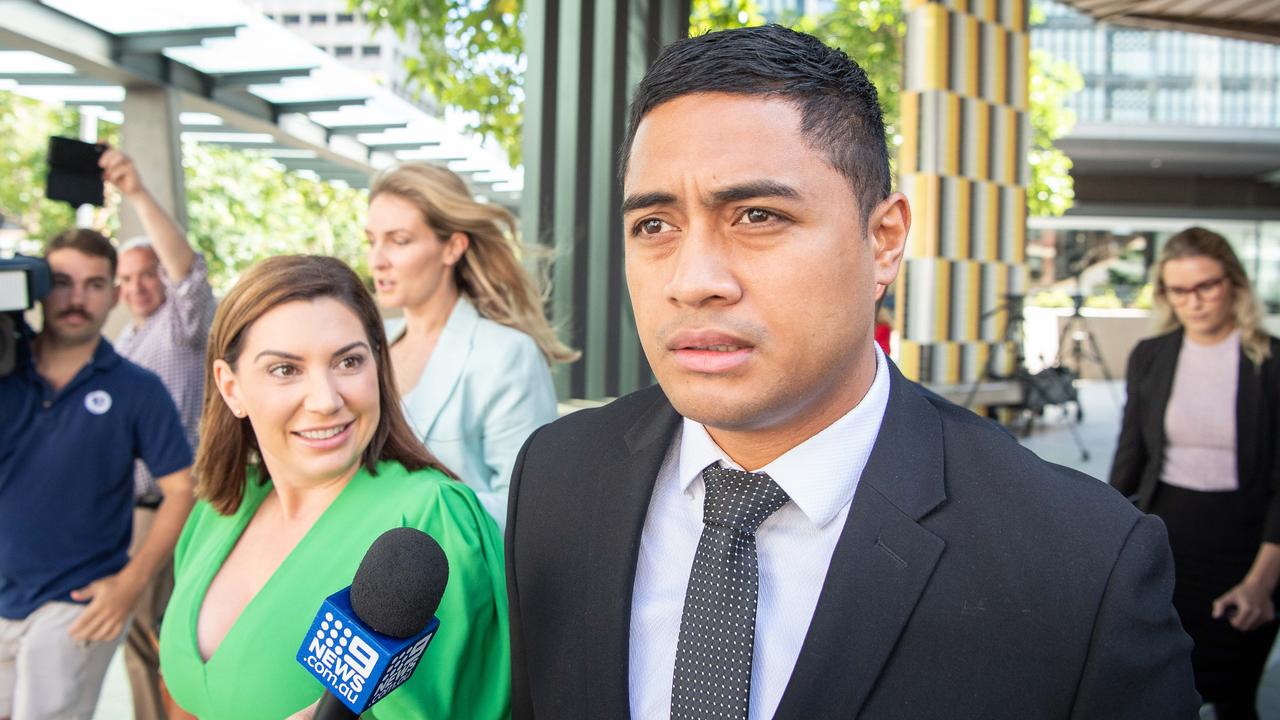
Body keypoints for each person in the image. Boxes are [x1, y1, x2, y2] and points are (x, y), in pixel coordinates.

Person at [505, 25, 1198, 720]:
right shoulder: (557, 478)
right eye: (655, 226)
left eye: (756, 215)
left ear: (884, 240)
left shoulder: (1081, 564)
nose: (694, 281)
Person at [157, 255, 509, 719]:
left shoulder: (432, 519)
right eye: (286, 369)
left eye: (348, 361)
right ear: (231, 386)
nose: (326, 400)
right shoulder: (220, 509)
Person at [0, 230, 195, 720]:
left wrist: (131, 583)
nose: (75, 299)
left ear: (113, 294)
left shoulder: (137, 389)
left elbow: (180, 489)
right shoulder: (6, 371)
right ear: (39, 286)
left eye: (93, 284)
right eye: (61, 282)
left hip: (75, 602)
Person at [1110, 227, 1280, 720]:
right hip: (1167, 539)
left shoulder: (1271, 361)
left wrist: (1263, 582)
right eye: (1179, 290)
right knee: (1162, 692)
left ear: (1234, 284)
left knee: (1231, 694)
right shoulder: (1151, 356)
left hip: (1250, 548)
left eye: (1206, 286)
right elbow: (1130, 461)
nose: (1194, 301)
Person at [366, 163, 578, 527]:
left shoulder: (506, 355)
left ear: (452, 247)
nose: (377, 261)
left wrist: (408, 517)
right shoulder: (365, 348)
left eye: (399, 241)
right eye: (371, 241)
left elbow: (526, 508)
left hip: (452, 575)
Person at [104, 148, 216, 720]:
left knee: (162, 631)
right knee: (137, 636)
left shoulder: (181, 328)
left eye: (148, 274)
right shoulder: (127, 339)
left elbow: (188, 274)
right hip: (129, 507)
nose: (137, 286)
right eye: (125, 279)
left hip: (172, 504)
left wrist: (136, 193)